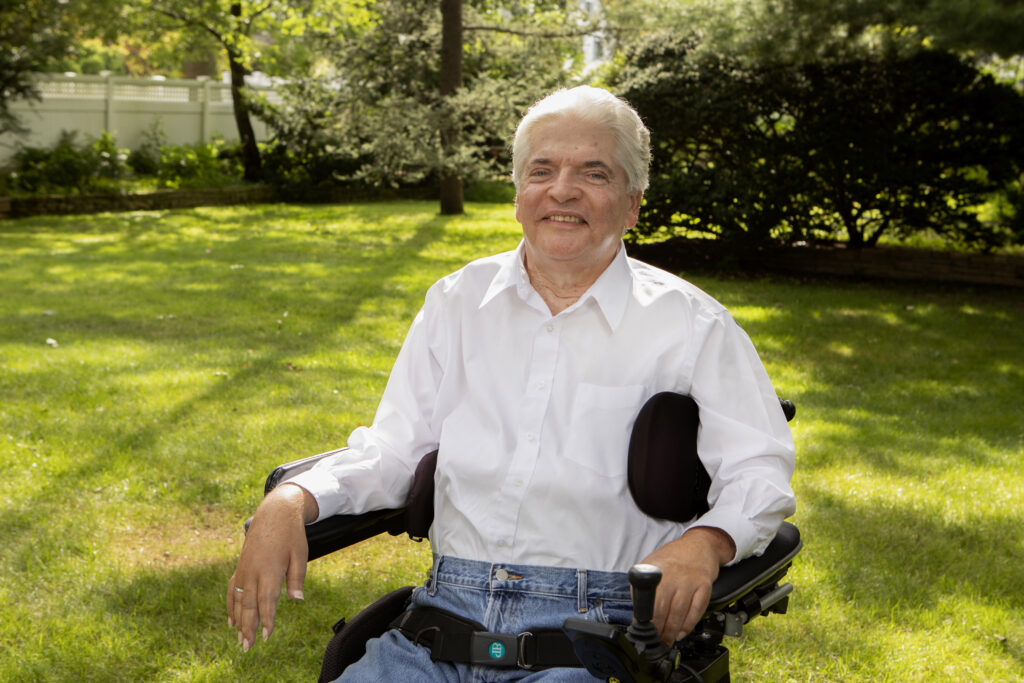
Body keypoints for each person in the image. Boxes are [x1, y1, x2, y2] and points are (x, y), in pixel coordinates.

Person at [227, 86, 796, 680]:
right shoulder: (457, 302)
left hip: (596, 637)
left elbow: (758, 471)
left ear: (632, 204)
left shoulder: (692, 324)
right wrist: (290, 500)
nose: (562, 189)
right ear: (519, 195)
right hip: (440, 626)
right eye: (542, 170)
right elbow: (394, 453)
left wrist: (706, 544)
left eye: (593, 173)